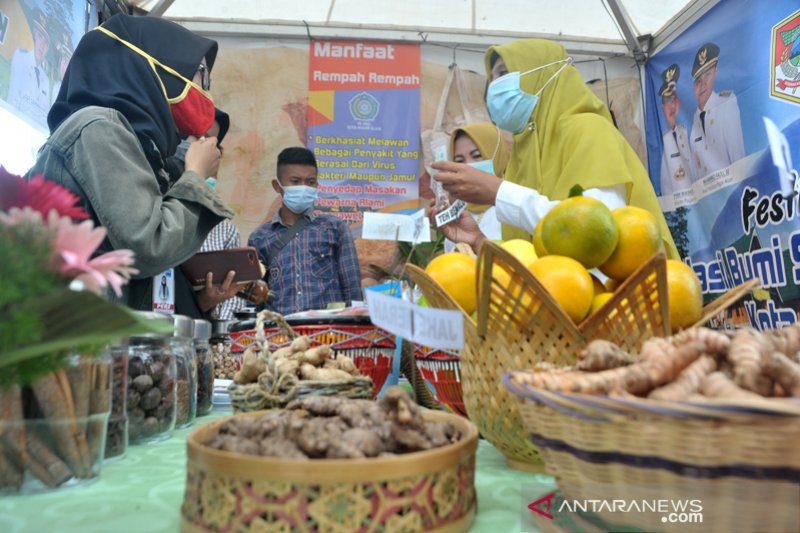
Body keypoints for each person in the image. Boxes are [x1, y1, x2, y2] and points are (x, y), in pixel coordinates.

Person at [26, 14, 234, 318]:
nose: (204, 89)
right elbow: (148, 247)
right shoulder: (99, 128)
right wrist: (197, 179)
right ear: (154, 67)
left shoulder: (141, 148)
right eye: (200, 73)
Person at [430, 38, 678, 258]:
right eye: (492, 79)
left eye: (504, 73)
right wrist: (477, 240)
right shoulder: (522, 154)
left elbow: (593, 229)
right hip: (567, 302)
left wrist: (499, 193)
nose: (495, 87)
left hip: (620, 302)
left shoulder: (589, 130)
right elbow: (533, 262)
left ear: (542, 75)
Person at [247, 147, 363, 315]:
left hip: (327, 333)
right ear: (277, 186)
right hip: (279, 334)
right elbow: (254, 298)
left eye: (310, 182)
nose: (304, 187)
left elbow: (353, 290)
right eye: (295, 181)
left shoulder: (335, 228)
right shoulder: (259, 238)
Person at [166, 108, 247, 320]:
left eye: (214, 143)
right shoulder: (152, 205)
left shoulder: (222, 228)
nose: (211, 151)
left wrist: (208, 300)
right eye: (201, 139)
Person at [443, 122, 509, 252]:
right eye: (460, 161)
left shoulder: (512, 207)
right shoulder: (458, 215)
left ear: (497, 156)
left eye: (477, 156)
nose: (468, 166)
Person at [689, 42, 745, 180]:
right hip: (708, 199)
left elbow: (737, 158)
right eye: (698, 81)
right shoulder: (693, 119)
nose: (702, 85)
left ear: (715, 72)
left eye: (707, 75)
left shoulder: (726, 104)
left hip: (729, 191)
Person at [7, 9, 52, 129]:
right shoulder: (21, 57)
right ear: (34, 37)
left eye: (46, 43)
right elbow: (13, 99)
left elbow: (45, 117)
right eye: (40, 37)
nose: (42, 45)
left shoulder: (45, 80)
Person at [658, 64, 694, 197]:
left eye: (674, 100)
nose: (672, 105)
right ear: (662, 106)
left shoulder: (689, 131)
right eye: (667, 101)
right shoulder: (660, 142)